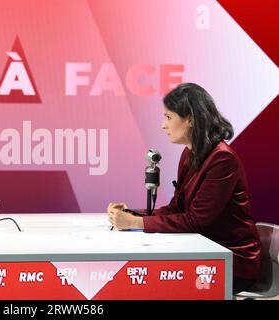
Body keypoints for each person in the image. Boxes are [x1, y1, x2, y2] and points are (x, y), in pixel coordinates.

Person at [107, 83, 261, 293]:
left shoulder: (222, 159)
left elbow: (195, 220)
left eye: (169, 117)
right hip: (204, 252)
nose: (163, 125)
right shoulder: (191, 153)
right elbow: (177, 209)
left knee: (154, 286)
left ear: (190, 119)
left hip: (231, 260)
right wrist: (131, 214)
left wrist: (137, 222)